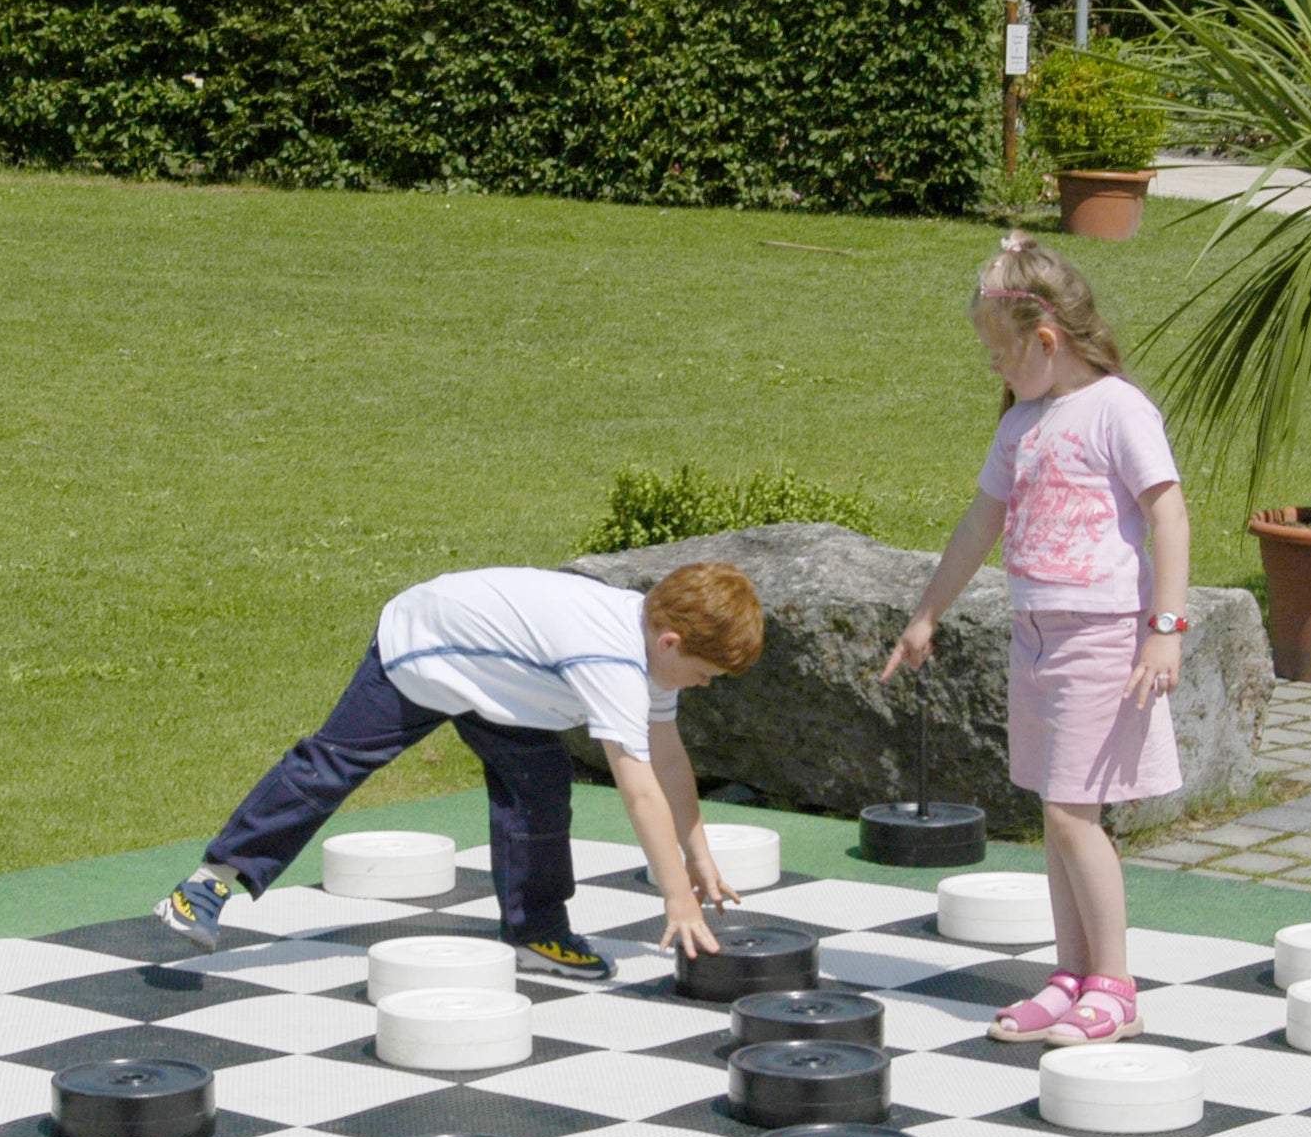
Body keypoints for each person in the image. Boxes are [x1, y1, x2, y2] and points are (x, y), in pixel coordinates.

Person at [154, 561, 763, 977]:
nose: (705, 687)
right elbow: (641, 792)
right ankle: (209, 880)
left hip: (505, 680)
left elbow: (670, 757)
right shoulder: (610, 658)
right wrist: (678, 903)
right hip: (428, 648)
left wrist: (698, 853)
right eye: (706, 674)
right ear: (672, 643)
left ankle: (536, 932)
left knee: (539, 782)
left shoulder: (652, 652)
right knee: (333, 765)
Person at [882, 232, 1190, 1045]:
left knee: (1071, 815)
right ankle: (1071, 972)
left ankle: (1114, 982)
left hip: (1103, 635)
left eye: (999, 353)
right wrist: (926, 613)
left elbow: (1168, 514)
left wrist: (1164, 630)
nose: (993, 369)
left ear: (1046, 341)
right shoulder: (1023, 421)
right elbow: (981, 520)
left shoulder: (1119, 409)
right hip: (1037, 637)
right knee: (1054, 814)